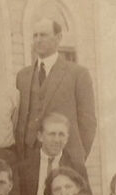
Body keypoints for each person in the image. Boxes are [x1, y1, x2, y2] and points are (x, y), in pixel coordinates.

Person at [15, 17, 97, 165]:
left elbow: (88, 121)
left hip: (65, 158)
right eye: (35, 35)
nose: (38, 40)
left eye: (43, 35)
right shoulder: (23, 76)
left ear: (58, 38)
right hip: (29, 159)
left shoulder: (77, 74)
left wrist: (77, 156)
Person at [17, 113, 91, 195]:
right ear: (40, 136)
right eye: (52, 134)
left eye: (61, 134)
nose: (57, 140)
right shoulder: (23, 168)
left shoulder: (77, 168)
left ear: (67, 138)